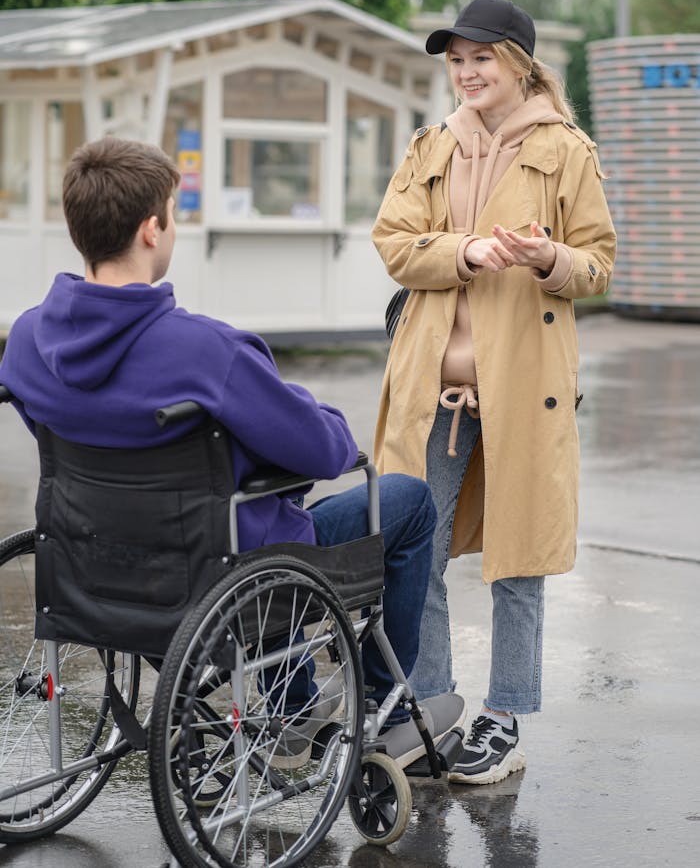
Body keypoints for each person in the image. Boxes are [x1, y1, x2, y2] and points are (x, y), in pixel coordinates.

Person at [0, 135, 464, 769]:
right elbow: (328, 451)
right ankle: (378, 702)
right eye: (174, 216)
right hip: (217, 572)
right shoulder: (205, 351)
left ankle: (294, 698)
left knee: (259, 525)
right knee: (403, 500)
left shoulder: (26, 339)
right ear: (150, 229)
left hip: (90, 565)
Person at [372, 0, 616, 784]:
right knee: (417, 553)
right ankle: (433, 709)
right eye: (456, 60)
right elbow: (396, 245)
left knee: (519, 558)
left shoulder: (566, 151)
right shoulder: (429, 146)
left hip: (525, 391)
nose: (467, 72)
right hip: (430, 394)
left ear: (519, 63)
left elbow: (599, 265)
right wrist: (467, 250)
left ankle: (503, 720)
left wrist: (549, 260)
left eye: (481, 57)